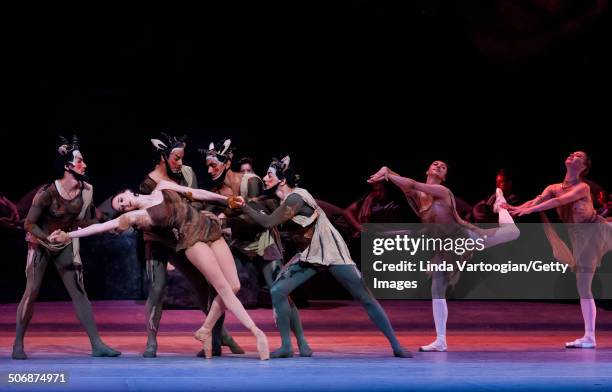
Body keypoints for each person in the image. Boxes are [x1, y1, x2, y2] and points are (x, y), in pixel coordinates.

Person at [50, 180, 270, 360]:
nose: (123, 205)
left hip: (209, 227)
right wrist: (69, 236)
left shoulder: (162, 185)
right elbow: (101, 227)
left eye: (121, 200)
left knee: (234, 285)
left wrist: (227, 201)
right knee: (221, 287)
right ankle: (256, 331)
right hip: (191, 240)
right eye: (120, 207)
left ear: (127, 190)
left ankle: (206, 329)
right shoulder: (139, 216)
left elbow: (195, 192)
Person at [238, 156, 412, 358]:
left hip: (330, 251)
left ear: (282, 180)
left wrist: (244, 207)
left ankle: (396, 345)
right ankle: (289, 346)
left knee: (365, 297)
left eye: (269, 174)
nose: (265, 178)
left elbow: (268, 222)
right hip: (310, 254)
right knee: (277, 291)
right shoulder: (285, 198)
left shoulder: (295, 198)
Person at [368, 161, 520, 352]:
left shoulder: (442, 191)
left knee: (513, 232)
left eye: (444, 166)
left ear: (444, 177)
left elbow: (411, 184)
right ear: (427, 170)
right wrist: (385, 170)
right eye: (435, 163)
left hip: (465, 237)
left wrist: (388, 175)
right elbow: (406, 185)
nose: (439, 165)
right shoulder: (416, 196)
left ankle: (500, 203)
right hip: (446, 245)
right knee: (437, 287)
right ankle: (441, 340)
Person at [12, 136, 120, 360]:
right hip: (39, 244)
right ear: (67, 166)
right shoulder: (48, 192)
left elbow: (82, 221)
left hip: (65, 244)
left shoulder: (86, 190)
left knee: (80, 294)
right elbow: (28, 224)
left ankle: (97, 344)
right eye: (80, 161)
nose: (85, 165)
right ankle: (18, 344)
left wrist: (105, 225)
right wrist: (46, 237)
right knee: (31, 291)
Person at [139, 133, 242, 357]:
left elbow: (194, 198)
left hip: (180, 237)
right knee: (157, 289)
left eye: (181, 158)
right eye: (176, 158)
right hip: (157, 239)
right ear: (164, 157)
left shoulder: (186, 174)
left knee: (205, 285)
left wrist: (211, 210)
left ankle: (218, 337)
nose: (180, 162)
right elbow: (148, 219)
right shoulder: (149, 183)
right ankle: (151, 342)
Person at [508, 151, 612, 349]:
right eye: (572, 154)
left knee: (583, 285)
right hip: (580, 237)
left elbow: (558, 202)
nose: (573, 155)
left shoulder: (583, 187)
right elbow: (537, 200)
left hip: (595, 231)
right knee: (582, 285)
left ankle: (589, 337)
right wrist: (515, 208)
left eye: (579, 156)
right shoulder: (553, 187)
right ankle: (589, 336)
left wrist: (529, 210)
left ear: (583, 167)